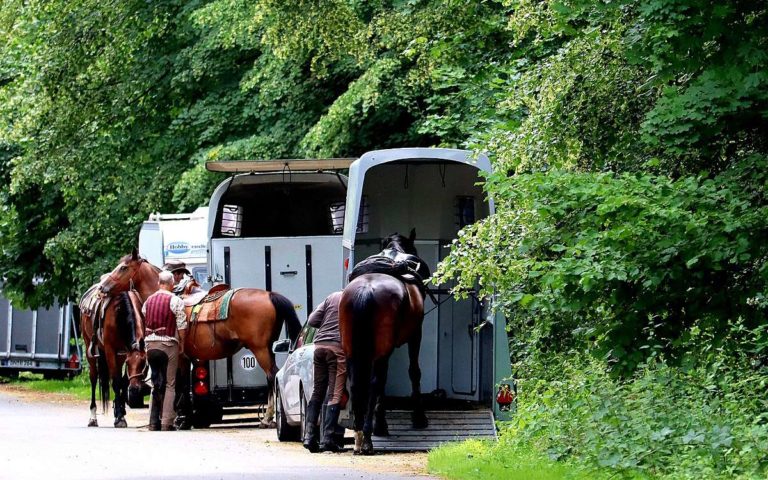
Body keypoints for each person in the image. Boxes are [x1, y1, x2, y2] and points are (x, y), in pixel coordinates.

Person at [142, 270, 187, 431]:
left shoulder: (148, 301)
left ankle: (153, 421)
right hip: (168, 345)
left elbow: (144, 317)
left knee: (155, 382)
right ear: (171, 284)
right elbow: (181, 325)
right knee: (170, 384)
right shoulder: (175, 300)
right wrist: (182, 344)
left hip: (150, 346)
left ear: (158, 283)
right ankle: (166, 422)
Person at [303, 291, 347, 453]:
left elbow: (312, 320)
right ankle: (328, 438)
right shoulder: (351, 298)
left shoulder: (331, 296)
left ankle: (309, 436)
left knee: (317, 391)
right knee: (335, 393)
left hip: (319, 346)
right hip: (336, 349)